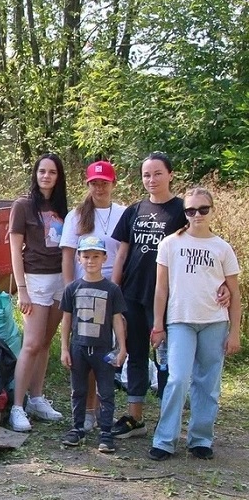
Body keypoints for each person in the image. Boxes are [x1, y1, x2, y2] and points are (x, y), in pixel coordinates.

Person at [148, 188, 241, 461]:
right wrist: (158, 324)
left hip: (214, 321)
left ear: (212, 211)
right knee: (177, 379)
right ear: (184, 214)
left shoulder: (222, 248)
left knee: (207, 383)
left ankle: (201, 439)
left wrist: (235, 332)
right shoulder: (170, 244)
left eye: (203, 209)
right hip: (180, 320)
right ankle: (165, 439)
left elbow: (234, 294)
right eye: (190, 210)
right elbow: (161, 289)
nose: (197, 215)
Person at [110, 152, 186, 439]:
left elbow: (195, 248)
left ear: (170, 174)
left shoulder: (182, 211)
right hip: (132, 293)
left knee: (166, 358)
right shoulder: (135, 210)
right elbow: (122, 253)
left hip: (167, 297)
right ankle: (135, 418)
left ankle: (168, 422)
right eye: (146, 175)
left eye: (157, 173)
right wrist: (114, 291)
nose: (151, 179)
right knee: (137, 354)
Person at [60, 160, 126, 431]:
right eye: (94, 183)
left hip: (110, 290)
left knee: (106, 353)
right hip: (83, 293)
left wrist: (116, 290)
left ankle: (104, 410)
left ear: (113, 184)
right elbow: (67, 255)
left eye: (104, 182)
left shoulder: (123, 213)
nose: (99, 187)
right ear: (87, 185)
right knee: (84, 352)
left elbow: (124, 253)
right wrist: (70, 293)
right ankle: (87, 411)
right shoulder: (76, 215)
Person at [8, 153, 68, 432]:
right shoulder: (23, 206)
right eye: (42, 171)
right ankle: (17, 407)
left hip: (60, 279)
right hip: (34, 280)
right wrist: (22, 290)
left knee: (45, 342)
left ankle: (37, 398)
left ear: (59, 177)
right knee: (31, 344)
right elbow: (14, 251)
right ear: (35, 174)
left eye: (52, 172)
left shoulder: (63, 207)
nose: (46, 176)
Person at [59, 236, 128, 454]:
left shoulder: (112, 289)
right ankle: (77, 428)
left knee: (106, 391)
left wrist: (122, 347)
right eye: (86, 256)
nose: (91, 261)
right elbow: (67, 320)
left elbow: (117, 319)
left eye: (96, 256)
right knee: (78, 390)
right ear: (79, 258)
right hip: (78, 347)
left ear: (104, 258)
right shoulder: (72, 288)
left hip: (104, 349)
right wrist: (64, 348)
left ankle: (106, 432)